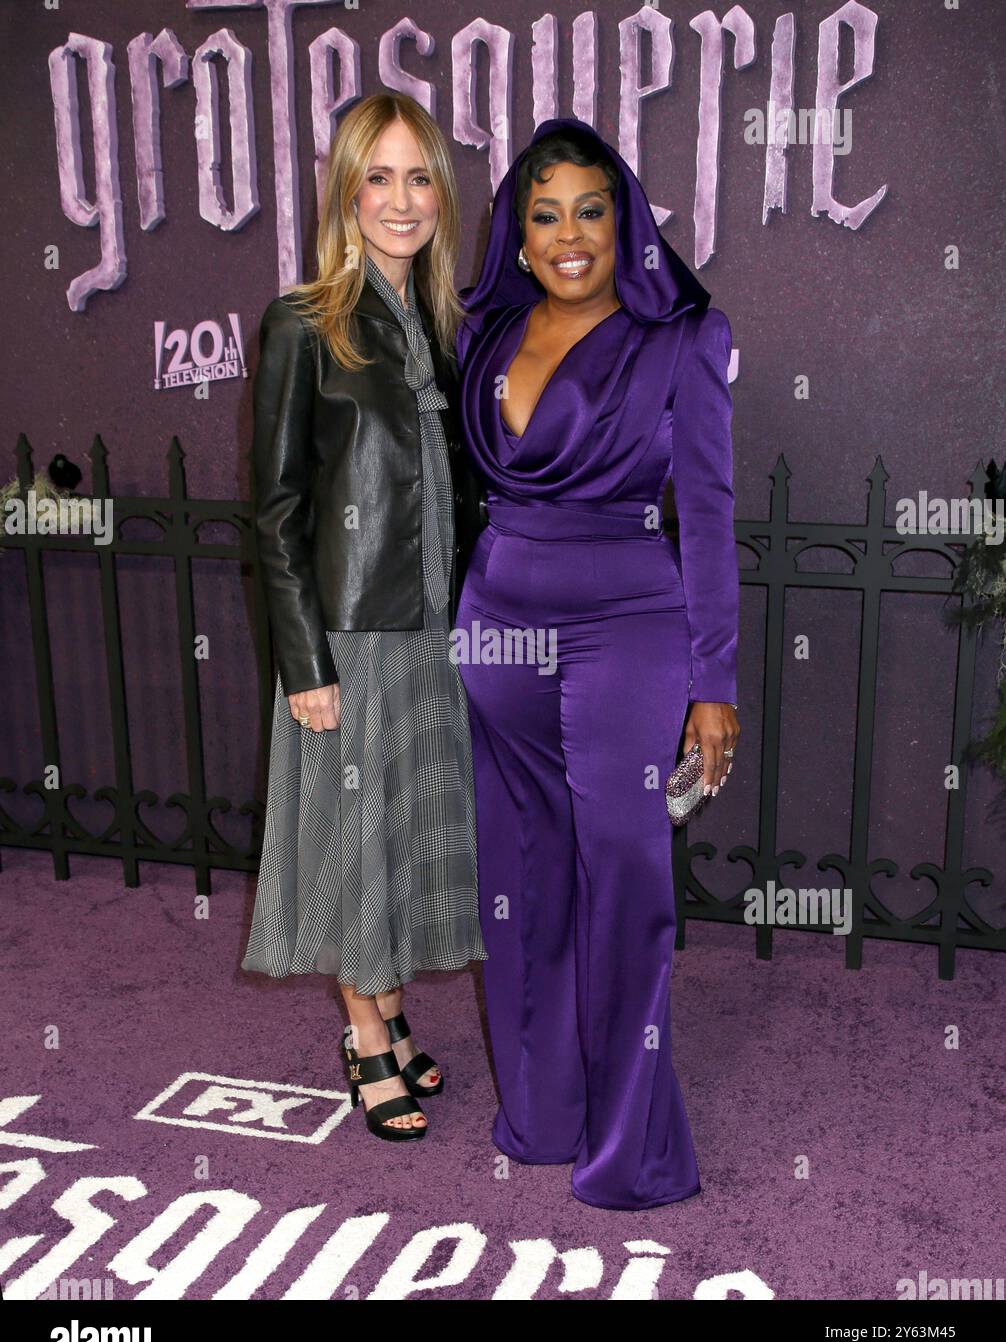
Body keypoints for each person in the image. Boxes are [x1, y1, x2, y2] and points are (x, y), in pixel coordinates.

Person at [455, 117, 741, 1208]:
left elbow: (707, 514)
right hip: (495, 624)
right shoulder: (489, 332)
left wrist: (712, 678)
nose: (569, 233)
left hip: (626, 618)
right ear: (517, 235)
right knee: (520, 876)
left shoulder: (681, 336)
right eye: (544, 214)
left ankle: (633, 1146)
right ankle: (543, 1112)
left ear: (622, 220)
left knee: (624, 875)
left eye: (590, 208)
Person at [241, 92, 488, 1142]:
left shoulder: (445, 323)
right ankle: (364, 1039)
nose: (399, 199)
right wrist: (305, 662)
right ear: (346, 190)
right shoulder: (304, 322)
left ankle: (389, 1007)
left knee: (399, 831)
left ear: (441, 193)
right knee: (350, 838)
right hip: (348, 635)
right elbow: (276, 507)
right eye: (377, 176)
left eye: (418, 176)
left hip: (435, 633)